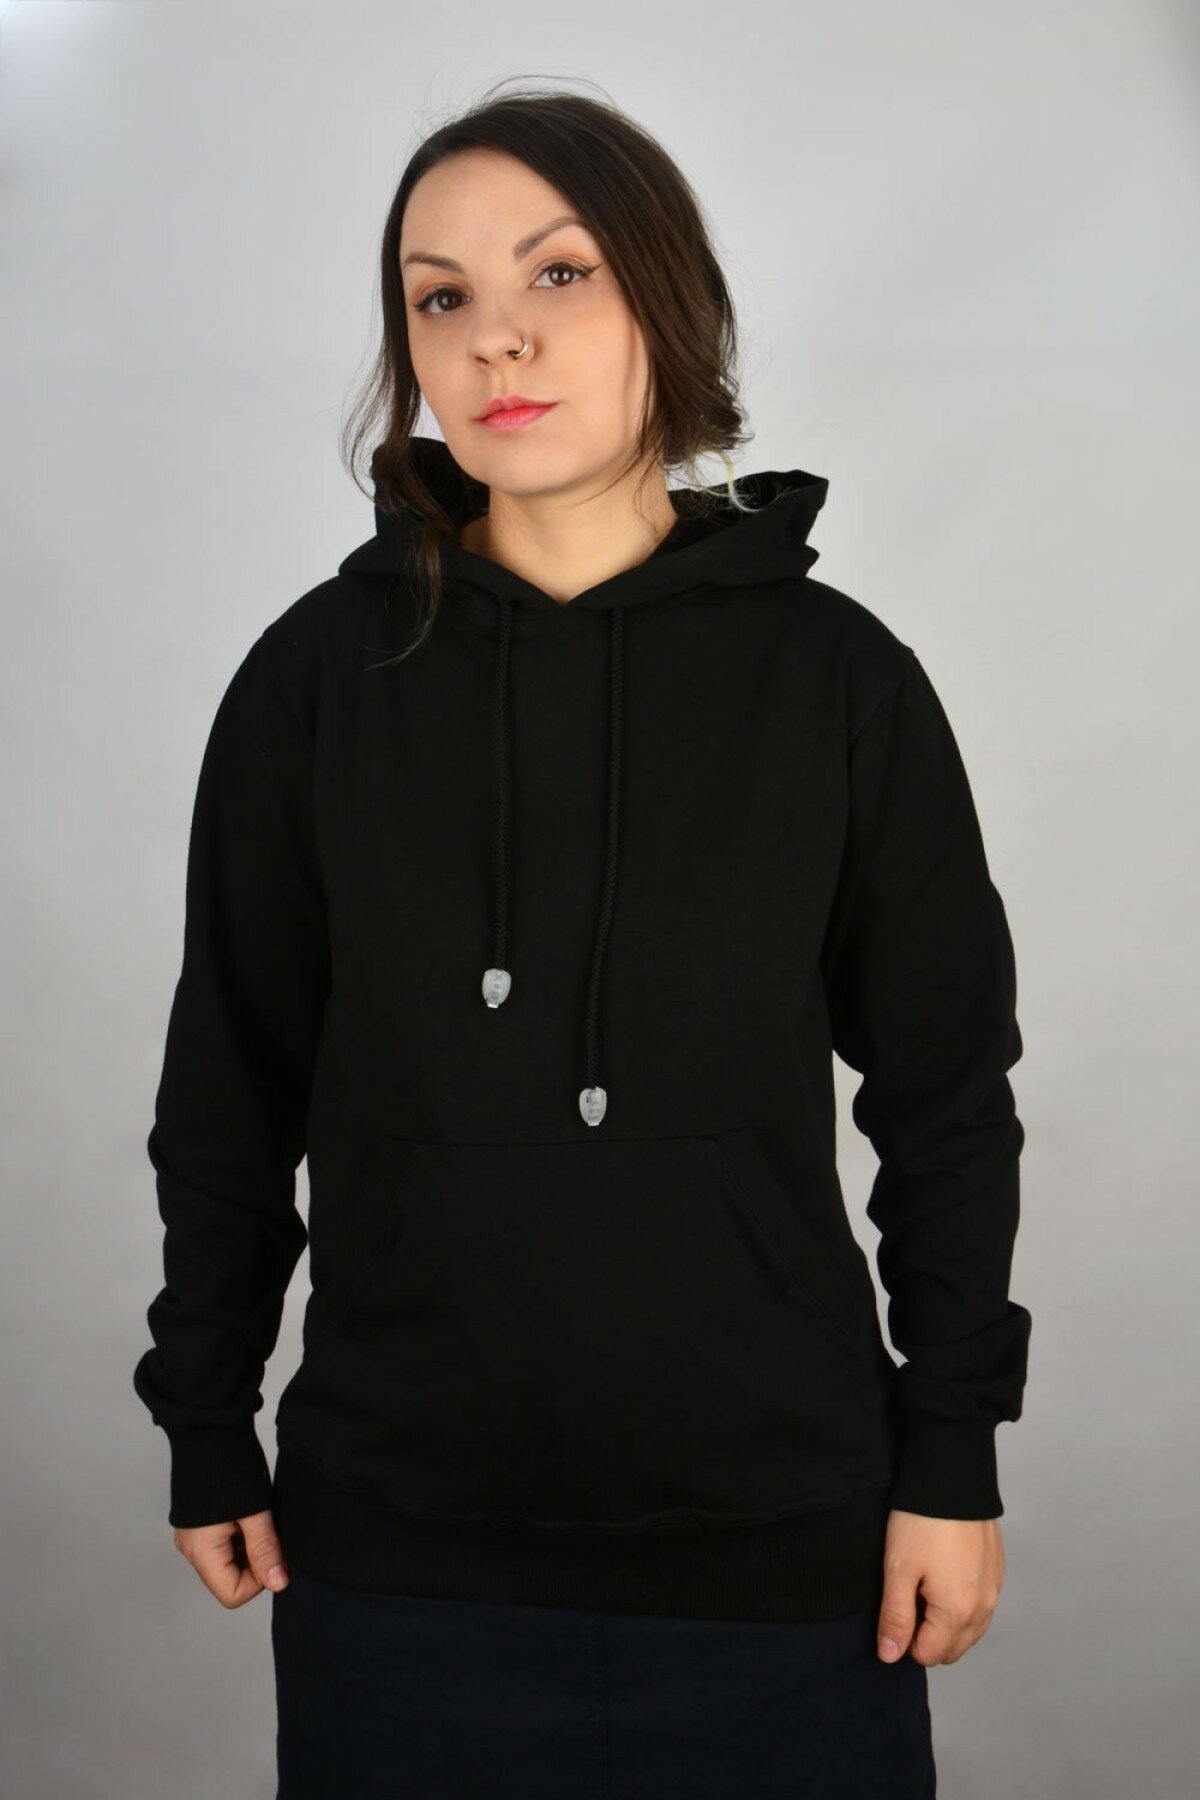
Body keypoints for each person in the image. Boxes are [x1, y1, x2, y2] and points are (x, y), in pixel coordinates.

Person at [133, 80, 1031, 1799]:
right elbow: (230, 1086)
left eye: (560, 273)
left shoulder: (839, 682)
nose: (497, 339)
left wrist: (953, 1453)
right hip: (400, 1559)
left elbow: (946, 1101)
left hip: (782, 1552)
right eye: (440, 296)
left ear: (666, 300)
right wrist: (204, 1415)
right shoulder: (316, 684)